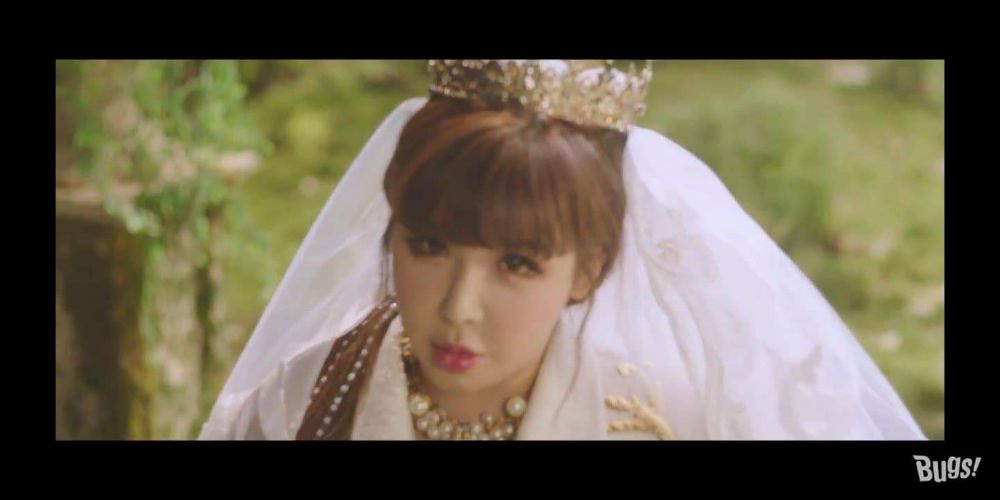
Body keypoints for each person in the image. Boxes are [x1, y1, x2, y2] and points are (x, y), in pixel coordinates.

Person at [199, 60, 926, 440]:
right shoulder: (300, 402)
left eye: (516, 264)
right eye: (430, 246)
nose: (459, 308)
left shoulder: (659, 423)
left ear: (589, 271)